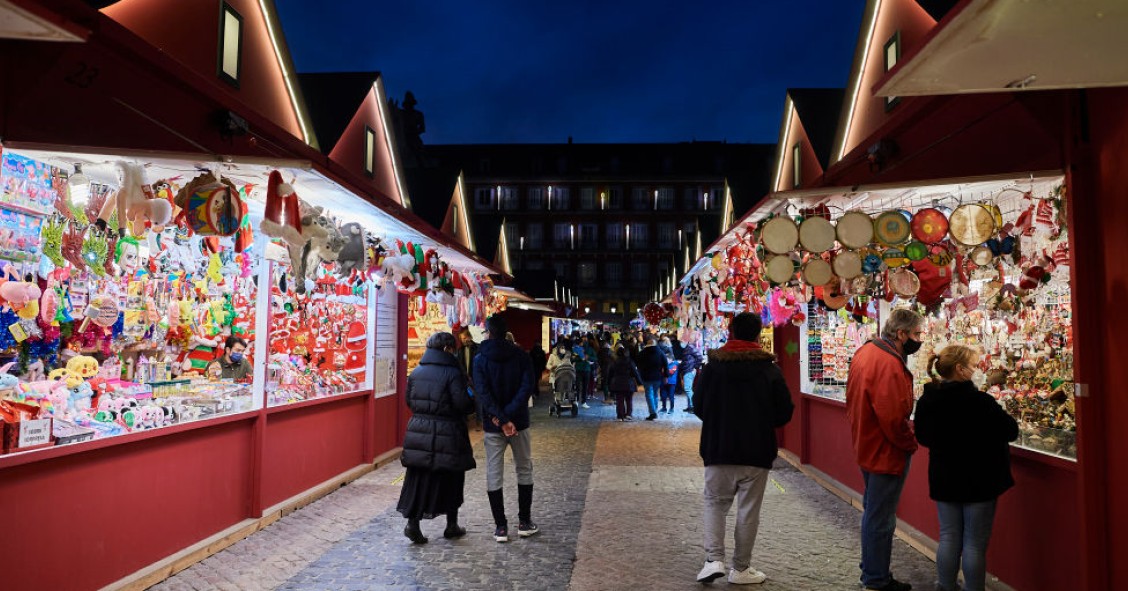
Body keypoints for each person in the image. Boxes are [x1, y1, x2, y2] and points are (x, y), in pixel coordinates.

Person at [693, 312, 793, 585]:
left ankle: (713, 560)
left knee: (715, 503)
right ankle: (741, 569)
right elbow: (784, 412)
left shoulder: (712, 368)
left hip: (718, 448)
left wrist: (719, 421)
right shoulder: (770, 370)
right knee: (748, 510)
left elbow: (699, 406)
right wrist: (761, 421)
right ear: (758, 335)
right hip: (756, 451)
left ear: (731, 332)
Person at [915, 344, 1018, 591]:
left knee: (949, 537)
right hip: (980, 481)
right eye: (974, 365)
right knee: (974, 543)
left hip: (945, 477)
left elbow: (923, 436)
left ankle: (945, 586)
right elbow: (1010, 431)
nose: (977, 369)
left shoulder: (928, 400)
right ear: (960, 369)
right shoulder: (980, 402)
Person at [846, 308, 925, 591]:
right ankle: (876, 578)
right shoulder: (888, 363)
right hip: (885, 450)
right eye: (917, 334)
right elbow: (893, 416)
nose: (920, 340)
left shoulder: (865, 352)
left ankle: (871, 567)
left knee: (873, 511)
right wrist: (909, 443)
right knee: (880, 516)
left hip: (867, 443)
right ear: (901, 334)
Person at [396, 332, 476, 544]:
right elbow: (463, 405)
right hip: (448, 432)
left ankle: (413, 524)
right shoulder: (453, 373)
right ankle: (451, 525)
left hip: (419, 429)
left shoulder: (417, 372)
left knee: (419, 477)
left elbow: (409, 401)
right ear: (448, 349)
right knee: (452, 476)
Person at [473, 315, 539, 543]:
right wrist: (510, 417)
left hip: (493, 425)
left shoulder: (480, 358)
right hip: (519, 422)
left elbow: (482, 393)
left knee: (494, 472)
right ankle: (524, 521)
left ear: (488, 332)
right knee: (524, 468)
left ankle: (500, 526)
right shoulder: (522, 356)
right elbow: (526, 387)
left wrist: (500, 418)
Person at [635, 335, 668, 420]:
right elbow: (666, 364)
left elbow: (637, 363)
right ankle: (654, 410)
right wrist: (666, 376)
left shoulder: (642, 353)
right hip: (657, 376)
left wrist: (640, 371)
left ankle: (653, 412)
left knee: (649, 394)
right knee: (655, 394)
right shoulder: (660, 352)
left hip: (646, 376)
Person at [606, 344, 643, 421]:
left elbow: (610, 373)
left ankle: (620, 416)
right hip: (629, 382)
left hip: (617, 382)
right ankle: (628, 414)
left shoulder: (614, 362)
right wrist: (640, 382)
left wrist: (608, 383)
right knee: (629, 400)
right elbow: (635, 372)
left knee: (619, 400)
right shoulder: (630, 361)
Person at [680, 338, 704, 412]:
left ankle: (693, 406)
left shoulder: (690, 347)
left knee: (687, 389)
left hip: (689, 370)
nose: (681, 343)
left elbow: (700, 357)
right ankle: (690, 406)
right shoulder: (688, 348)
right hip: (687, 369)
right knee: (688, 388)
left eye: (682, 341)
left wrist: (695, 366)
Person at [658, 336, 677, 413]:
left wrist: (664, 370)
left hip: (670, 381)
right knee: (664, 395)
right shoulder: (669, 348)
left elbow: (671, 372)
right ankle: (664, 407)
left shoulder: (674, 365)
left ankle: (671, 408)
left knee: (670, 395)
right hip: (665, 380)